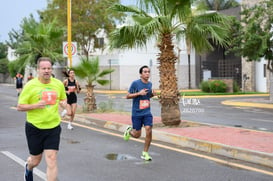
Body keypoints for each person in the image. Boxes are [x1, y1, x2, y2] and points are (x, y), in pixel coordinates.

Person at [17, 57, 67, 181]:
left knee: (51, 159)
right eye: (43, 68)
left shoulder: (58, 84)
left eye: (49, 68)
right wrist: (35, 105)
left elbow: (62, 98)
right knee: (35, 160)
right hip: (35, 127)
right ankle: (28, 167)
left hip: (53, 126)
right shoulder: (30, 85)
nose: (46, 71)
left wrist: (63, 104)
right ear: (38, 70)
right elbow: (19, 107)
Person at [123, 65, 155, 161]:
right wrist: (138, 93)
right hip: (137, 113)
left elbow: (147, 97)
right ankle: (129, 131)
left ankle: (145, 153)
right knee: (137, 135)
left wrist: (152, 94)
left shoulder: (150, 84)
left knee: (148, 129)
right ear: (141, 74)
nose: (147, 73)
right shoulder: (135, 84)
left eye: (148, 72)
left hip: (147, 112)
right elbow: (127, 96)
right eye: (145, 72)